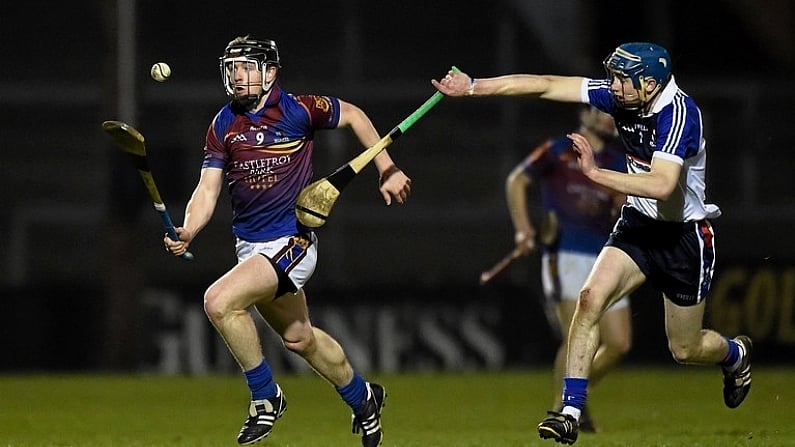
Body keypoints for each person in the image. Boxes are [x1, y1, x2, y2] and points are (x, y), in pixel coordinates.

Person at [433, 42, 752, 445]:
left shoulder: (679, 114)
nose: (613, 88)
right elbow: (546, 84)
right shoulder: (626, 95)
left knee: (686, 348)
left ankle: (735, 356)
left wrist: (594, 173)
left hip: (684, 238)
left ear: (650, 84)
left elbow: (662, 184)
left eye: (623, 80)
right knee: (589, 300)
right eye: (614, 78)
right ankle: (569, 411)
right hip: (637, 226)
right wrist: (474, 86)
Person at [165, 35, 411, 447]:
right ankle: (364, 397)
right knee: (300, 338)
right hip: (251, 249)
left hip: (293, 243)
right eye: (232, 68)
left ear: (270, 72)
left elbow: (353, 115)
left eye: (247, 66)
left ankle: (266, 397)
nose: (238, 75)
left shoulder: (298, 109)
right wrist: (190, 228)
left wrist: (386, 168)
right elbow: (206, 191)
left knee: (218, 301)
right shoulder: (224, 123)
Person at [505, 105, 632, 434]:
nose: (608, 118)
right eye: (601, 111)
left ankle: (574, 399)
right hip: (564, 253)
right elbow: (516, 180)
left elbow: (625, 205)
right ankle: (563, 411)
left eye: (612, 113)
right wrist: (523, 229)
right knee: (575, 334)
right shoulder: (559, 151)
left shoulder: (619, 163)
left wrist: (621, 205)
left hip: (607, 254)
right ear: (584, 113)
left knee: (619, 343)